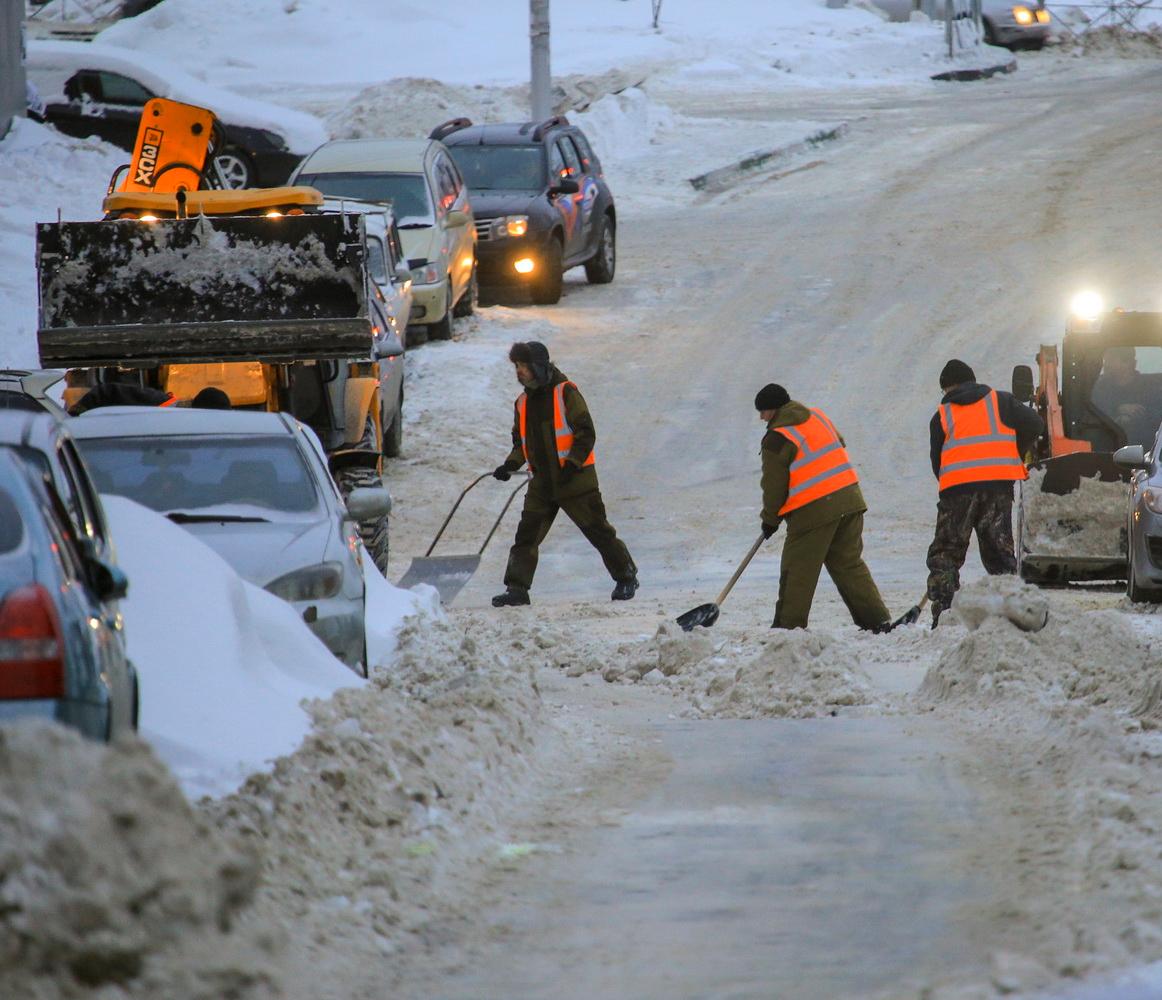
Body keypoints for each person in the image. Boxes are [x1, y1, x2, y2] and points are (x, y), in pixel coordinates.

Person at [491, 341, 637, 607]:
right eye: (517, 366)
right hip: (542, 485)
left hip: (575, 482)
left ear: (538, 366)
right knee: (526, 536)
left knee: (599, 532)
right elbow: (520, 443)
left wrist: (573, 463)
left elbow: (586, 432)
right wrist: (510, 465)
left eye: (523, 366)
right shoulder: (523, 403)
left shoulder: (565, 392)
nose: (519, 372)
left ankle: (626, 577)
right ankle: (517, 589)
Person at [756, 383, 891, 632]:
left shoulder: (777, 437)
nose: (761, 418)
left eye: (762, 412)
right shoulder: (817, 416)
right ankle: (878, 621)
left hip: (813, 510)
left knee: (798, 570)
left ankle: (787, 629)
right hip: (850, 499)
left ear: (772, 410)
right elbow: (838, 443)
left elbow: (773, 485)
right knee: (848, 563)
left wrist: (770, 519)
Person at [927, 359, 1045, 627]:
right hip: (997, 488)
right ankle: (1015, 615)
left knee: (946, 553)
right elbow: (1036, 424)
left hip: (957, 491)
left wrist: (951, 490)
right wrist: (1013, 451)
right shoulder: (1001, 402)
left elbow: (938, 460)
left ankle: (943, 615)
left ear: (949, 387)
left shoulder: (942, 414)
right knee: (999, 553)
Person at [1090, 346, 1161, 448]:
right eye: (1105, 360)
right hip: (1106, 449)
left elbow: (1157, 416)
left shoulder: (1151, 387)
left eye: (1110, 360)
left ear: (1128, 363)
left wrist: (1133, 418)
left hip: (1147, 449)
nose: (1105, 365)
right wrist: (1117, 410)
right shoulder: (1098, 387)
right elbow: (1090, 412)